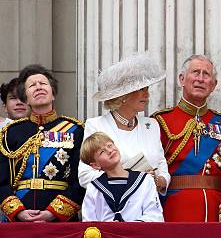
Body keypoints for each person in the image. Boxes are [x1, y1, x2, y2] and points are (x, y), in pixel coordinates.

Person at [152, 55, 221, 222]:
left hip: (216, 211)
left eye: (206, 74)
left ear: (213, 85)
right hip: (173, 209)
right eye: (195, 72)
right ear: (182, 79)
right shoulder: (160, 121)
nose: (201, 79)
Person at [78, 53, 171, 196]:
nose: (147, 95)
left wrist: (158, 181)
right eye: (141, 89)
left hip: (147, 207)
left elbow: (162, 168)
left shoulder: (151, 125)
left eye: (147, 89)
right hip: (112, 207)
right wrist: (129, 178)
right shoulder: (96, 125)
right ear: (123, 96)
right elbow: (85, 176)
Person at [0, 65, 84, 222]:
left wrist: (53, 213)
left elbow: (80, 181)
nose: (38, 87)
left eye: (43, 84)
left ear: (53, 94)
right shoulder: (10, 132)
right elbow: (1, 181)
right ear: (25, 98)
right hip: (19, 218)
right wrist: (18, 212)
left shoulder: (75, 130)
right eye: (32, 85)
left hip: (61, 220)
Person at [80, 132, 164, 222]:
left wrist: (126, 229)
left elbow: (155, 217)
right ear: (95, 165)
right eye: (102, 152)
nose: (109, 151)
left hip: (137, 234)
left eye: (109, 145)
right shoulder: (93, 188)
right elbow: (89, 224)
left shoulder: (145, 180)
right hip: (106, 235)